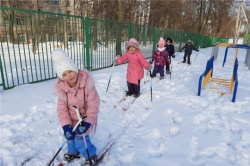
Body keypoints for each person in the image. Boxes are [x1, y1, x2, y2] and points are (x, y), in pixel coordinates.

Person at [51, 49, 100, 165]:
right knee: (70, 138)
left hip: (85, 119)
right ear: (61, 76)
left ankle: (91, 155)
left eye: (70, 71)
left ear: (75, 69)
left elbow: (93, 105)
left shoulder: (87, 85)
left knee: (81, 140)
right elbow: (62, 110)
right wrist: (66, 126)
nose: (69, 76)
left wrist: (87, 122)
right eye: (64, 74)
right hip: (71, 120)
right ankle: (73, 152)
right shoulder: (62, 90)